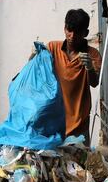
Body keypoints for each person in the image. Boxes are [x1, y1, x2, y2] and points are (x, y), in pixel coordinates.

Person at [30, 9, 102, 145]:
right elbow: (35, 71)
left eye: (78, 31)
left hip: (79, 125)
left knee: (79, 164)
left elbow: (94, 83)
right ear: (64, 29)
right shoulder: (53, 48)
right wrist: (33, 56)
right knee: (53, 163)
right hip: (54, 123)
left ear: (85, 33)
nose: (72, 35)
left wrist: (90, 68)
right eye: (70, 30)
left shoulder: (92, 54)